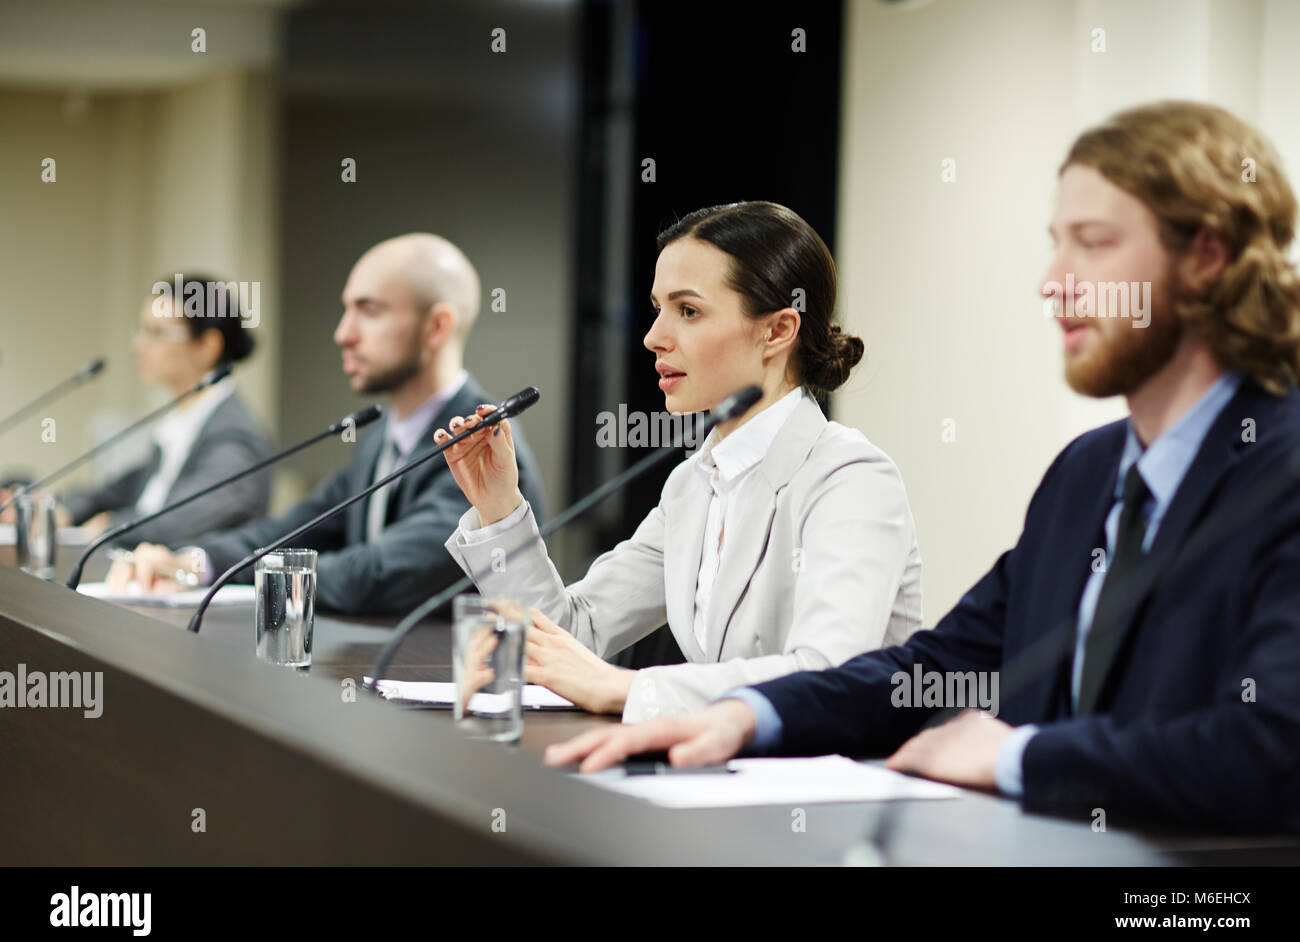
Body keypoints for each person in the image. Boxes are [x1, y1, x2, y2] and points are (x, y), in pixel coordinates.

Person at [545, 103, 1300, 834]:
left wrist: (1020, 756)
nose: (1053, 281)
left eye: (1094, 243)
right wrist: (746, 714)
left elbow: (1274, 749)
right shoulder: (1087, 472)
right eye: (1055, 243)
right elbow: (932, 665)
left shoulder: (1282, 470)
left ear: (1205, 257)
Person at [436, 201, 922, 720]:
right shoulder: (693, 483)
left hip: (834, 788)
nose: (653, 337)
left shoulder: (850, 479)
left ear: (778, 331)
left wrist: (630, 691)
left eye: (687, 311)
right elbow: (577, 636)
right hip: (724, 775)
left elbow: (827, 674)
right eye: (658, 308)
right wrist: (499, 507)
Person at [105, 234, 547, 616]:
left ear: (436, 327)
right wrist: (197, 562)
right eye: (346, 310)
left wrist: (250, 574)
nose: (343, 333)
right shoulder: (379, 439)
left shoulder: (484, 449)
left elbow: (379, 575)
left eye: (368, 311)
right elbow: (293, 528)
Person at [50, 276, 271, 545]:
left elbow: (186, 518)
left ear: (208, 347)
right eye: (141, 331)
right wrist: (63, 511)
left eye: (156, 333)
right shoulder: (182, 419)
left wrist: (112, 527)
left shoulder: (235, 433)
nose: (138, 345)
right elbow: (121, 490)